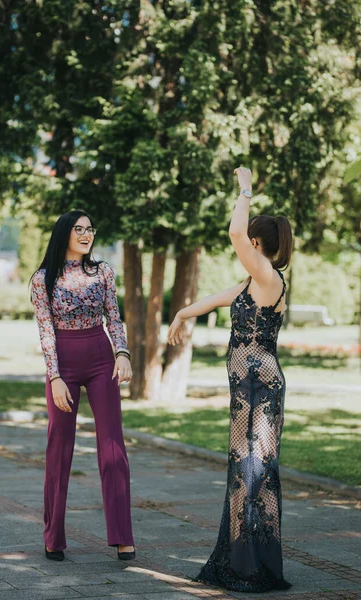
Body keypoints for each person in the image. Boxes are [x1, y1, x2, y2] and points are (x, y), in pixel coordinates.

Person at [167, 167, 293, 593]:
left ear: (257, 245)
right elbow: (220, 299)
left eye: (249, 243)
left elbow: (234, 232)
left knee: (251, 471)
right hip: (251, 387)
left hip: (258, 388)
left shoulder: (266, 275)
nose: (243, 247)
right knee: (249, 470)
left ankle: (248, 566)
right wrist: (183, 313)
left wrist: (245, 189)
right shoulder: (253, 282)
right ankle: (251, 560)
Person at [30, 209, 135, 562]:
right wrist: (55, 377)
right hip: (64, 362)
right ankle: (53, 537)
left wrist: (122, 352)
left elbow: (113, 316)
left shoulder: (102, 271)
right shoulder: (43, 278)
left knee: (113, 447)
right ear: (65, 232)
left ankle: (123, 535)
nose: (87, 234)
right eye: (79, 229)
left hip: (101, 356)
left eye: (90, 228)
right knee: (59, 450)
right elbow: (46, 331)